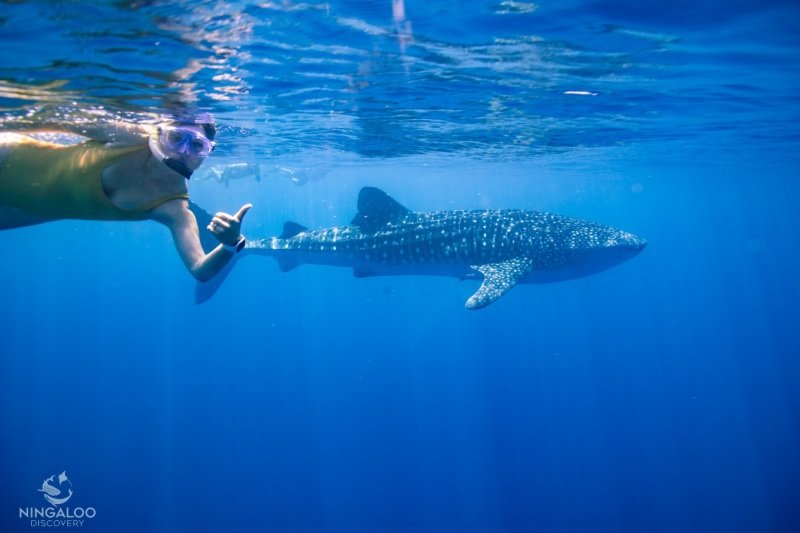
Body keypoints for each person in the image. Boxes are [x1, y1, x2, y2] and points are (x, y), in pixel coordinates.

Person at [0, 118, 251, 282]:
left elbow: (200, 269)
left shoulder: (173, 208)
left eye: (197, 145)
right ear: (160, 134)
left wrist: (231, 244)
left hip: (19, 210)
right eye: (176, 138)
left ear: (207, 153)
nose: (184, 151)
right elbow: (56, 119)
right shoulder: (133, 138)